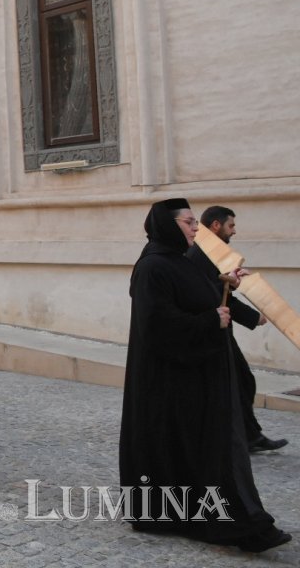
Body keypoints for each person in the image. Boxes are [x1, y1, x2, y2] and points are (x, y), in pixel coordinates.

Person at [121, 199, 290, 553]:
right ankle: (236, 524)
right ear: (168, 225)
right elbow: (157, 325)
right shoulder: (152, 267)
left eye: (195, 221)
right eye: (189, 222)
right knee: (193, 452)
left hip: (195, 378)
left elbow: (199, 294)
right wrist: (210, 320)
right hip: (173, 383)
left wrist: (226, 285)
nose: (196, 228)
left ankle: (239, 520)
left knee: (203, 452)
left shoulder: (179, 260)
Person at [186, 206, 287, 454]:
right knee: (238, 382)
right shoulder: (201, 253)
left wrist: (233, 281)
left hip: (217, 329)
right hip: (210, 330)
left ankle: (247, 436)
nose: (234, 231)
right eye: (230, 225)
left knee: (240, 382)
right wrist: (253, 316)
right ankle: (242, 438)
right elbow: (211, 295)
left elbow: (220, 289)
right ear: (216, 226)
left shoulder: (211, 252)